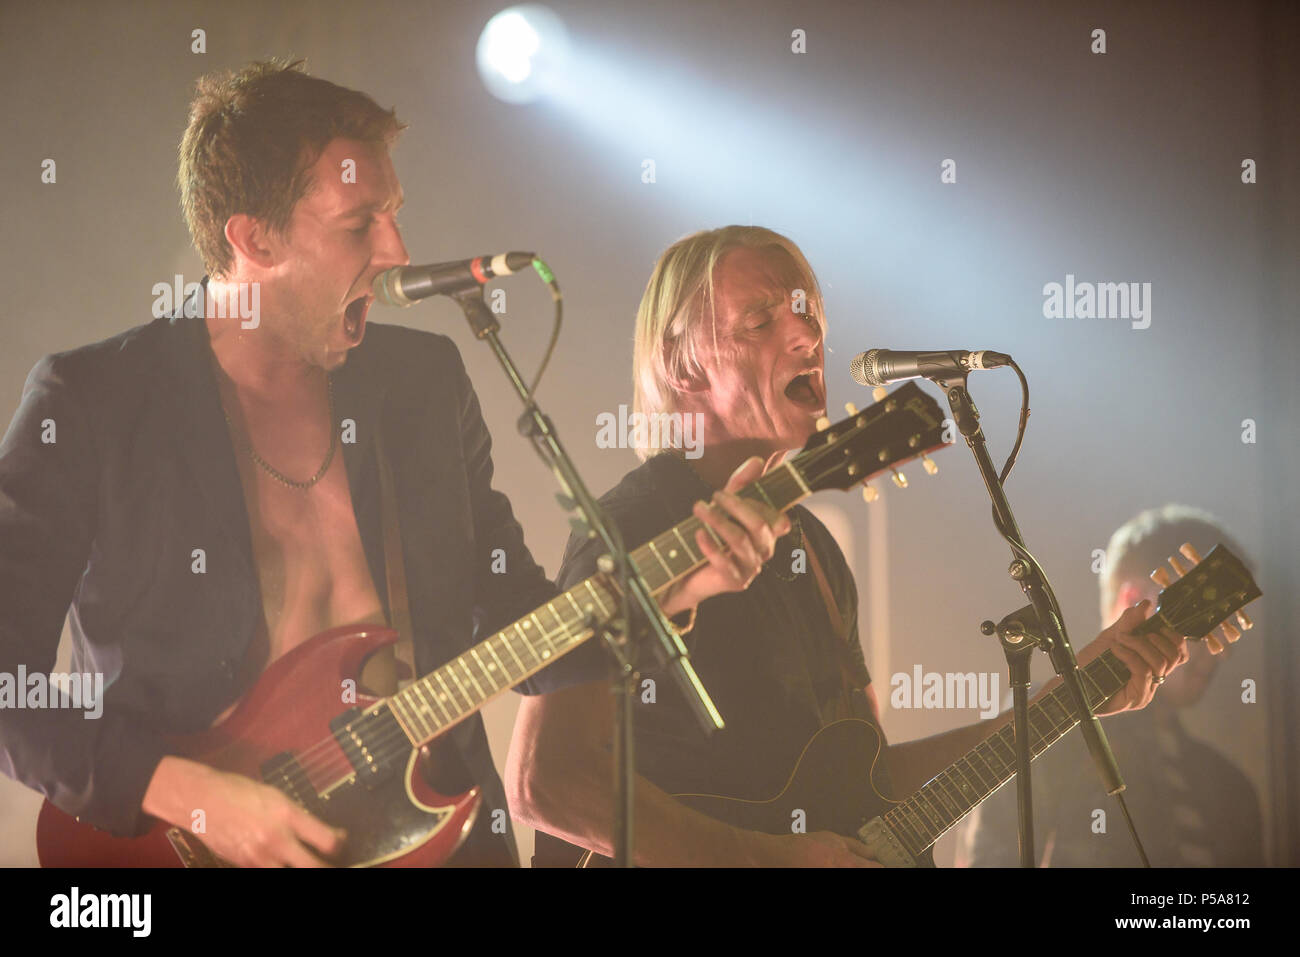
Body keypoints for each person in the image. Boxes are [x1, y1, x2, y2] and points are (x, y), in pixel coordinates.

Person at [0, 61, 782, 867]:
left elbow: (512, 616)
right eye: (358, 224)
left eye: (395, 214)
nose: (397, 248)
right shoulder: (94, 401)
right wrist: (189, 792)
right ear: (252, 237)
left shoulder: (423, 384)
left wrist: (673, 591)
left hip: (432, 842)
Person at [506, 225, 1191, 867]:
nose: (806, 331)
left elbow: (873, 779)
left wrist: (1070, 698)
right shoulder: (634, 524)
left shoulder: (815, 552)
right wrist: (772, 859)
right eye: (761, 319)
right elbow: (549, 781)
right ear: (683, 364)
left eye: (809, 311)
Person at [958, 505, 1265, 867]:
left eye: (1221, 624)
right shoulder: (1043, 729)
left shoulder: (1231, 789)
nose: (1220, 653)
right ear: (1132, 600)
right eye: (1207, 624)